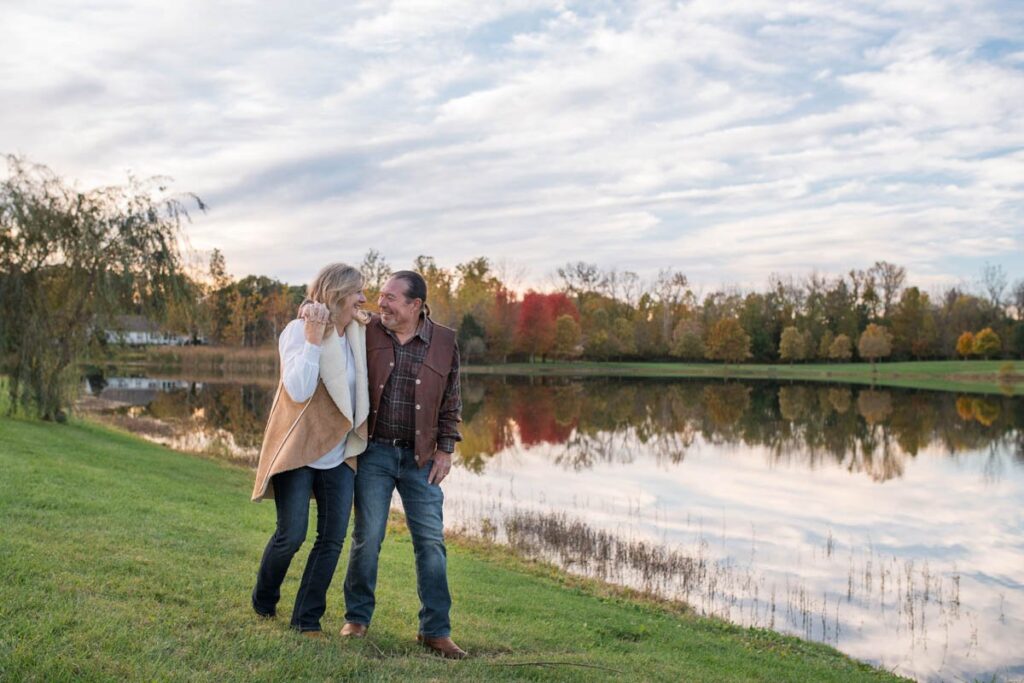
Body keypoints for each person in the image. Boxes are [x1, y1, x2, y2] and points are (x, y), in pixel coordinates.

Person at [340, 270, 466, 659]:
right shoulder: (368, 330)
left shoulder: (444, 342)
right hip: (375, 452)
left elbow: (451, 401)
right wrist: (310, 309)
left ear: (416, 305)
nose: (382, 303)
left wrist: (445, 449)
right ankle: (357, 619)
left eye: (391, 298)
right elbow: (332, 320)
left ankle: (435, 631)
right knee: (368, 536)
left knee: (430, 543)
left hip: (421, 458)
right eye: (381, 296)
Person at [250, 263, 369, 636]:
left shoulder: (356, 333)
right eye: (358, 292)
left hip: (339, 452)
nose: (364, 299)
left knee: (332, 539)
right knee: (292, 535)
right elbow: (298, 391)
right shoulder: (296, 331)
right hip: (301, 450)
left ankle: (307, 619)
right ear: (337, 293)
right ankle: (264, 599)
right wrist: (314, 338)